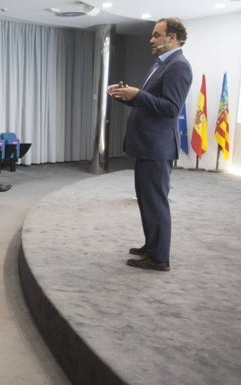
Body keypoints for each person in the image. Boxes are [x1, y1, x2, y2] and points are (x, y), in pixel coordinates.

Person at [107, 17, 192, 272]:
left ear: (173, 37)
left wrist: (139, 94)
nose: (151, 39)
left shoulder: (179, 66)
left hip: (157, 148)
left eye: (157, 35)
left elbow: (170, 109)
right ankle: (153, 245)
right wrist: (126, 96)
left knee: (155, 201)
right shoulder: (161, 64)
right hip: (147, 146)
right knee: (146, 200)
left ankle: (159, 258)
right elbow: (150, 102)